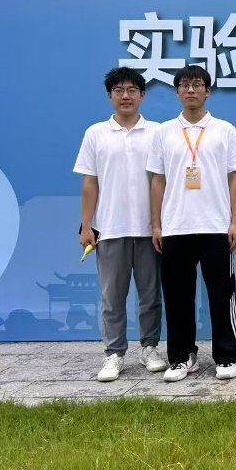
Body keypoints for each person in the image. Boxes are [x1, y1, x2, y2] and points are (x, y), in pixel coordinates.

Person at [147, 65, 236, 382]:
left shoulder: (224, 130)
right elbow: (158, 181)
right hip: (175, 227)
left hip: (216, 227)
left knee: (221, 295)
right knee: (178, 297)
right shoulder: (164, 132)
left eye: (197, 85)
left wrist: (235, 222)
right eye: (185, 85)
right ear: (177, 92)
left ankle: (225, 357)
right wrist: (156, 225)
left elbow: (234, 178)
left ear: (208, 91)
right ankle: (181, 357)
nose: (191, 90)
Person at [74, 67, 166, 382]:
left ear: (142, 95)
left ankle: (150, 348)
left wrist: (161, 224)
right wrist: (87, 225)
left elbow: (163, 180)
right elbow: (90, 183)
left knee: (150, 295)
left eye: (131, 90)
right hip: (110, 228)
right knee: (112, 297)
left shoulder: (157, 132)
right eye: (118, 90)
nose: (125, 96)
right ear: (109, 96)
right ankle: (114, 353)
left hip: (149, 229)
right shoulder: (95, 133)